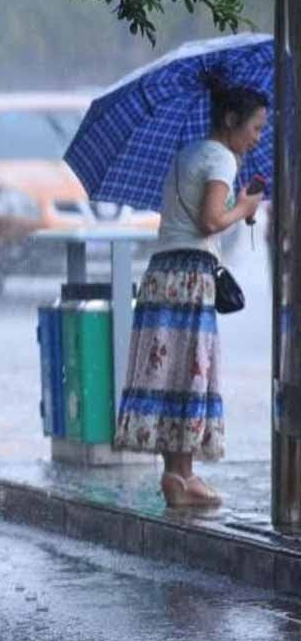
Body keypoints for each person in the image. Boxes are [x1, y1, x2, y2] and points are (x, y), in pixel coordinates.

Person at [112, 76, 268, 508]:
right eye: (255, 128)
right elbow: (210, 222)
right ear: (231, 120)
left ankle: (176, 475)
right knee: (188, 371)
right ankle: (182, 474)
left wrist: (231, 203)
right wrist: (245, 208)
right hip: (190, 277)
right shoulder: (222, 159)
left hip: (163, 271)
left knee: (170, 372)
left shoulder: (188, 154)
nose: (257, 139)